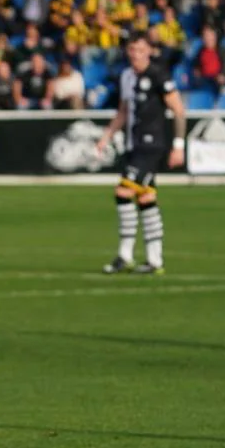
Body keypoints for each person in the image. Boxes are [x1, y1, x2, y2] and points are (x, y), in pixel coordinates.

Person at [97, 34, 186, 276]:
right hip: (133, 145)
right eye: (132, 49)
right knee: (145, 199)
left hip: (152, 145)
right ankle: (154, 260)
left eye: (140, 49)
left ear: (149, 52)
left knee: (123, 191)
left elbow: (178, 109)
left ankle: (125, 255)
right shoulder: (126, 76)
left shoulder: (159, 75)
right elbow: (124, 111)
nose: (135, 54)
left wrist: (179, 145)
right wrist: (106, 136)